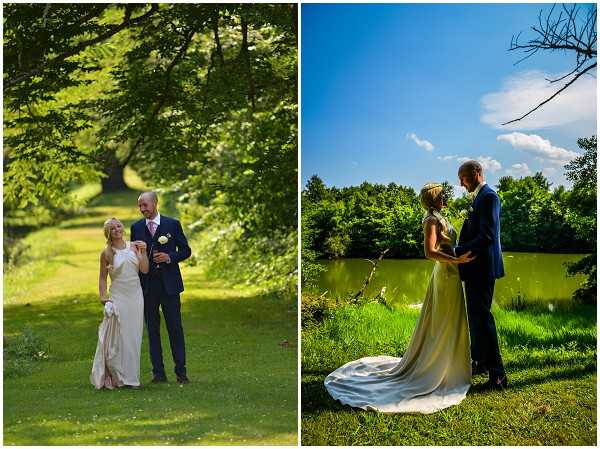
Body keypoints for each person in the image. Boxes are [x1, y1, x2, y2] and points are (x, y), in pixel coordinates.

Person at [324, 183, 475, 413]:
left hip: (451, 274)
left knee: (450, 320)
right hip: (445, 274)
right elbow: (429, 252)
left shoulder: (440, 216)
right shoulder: (431, 220)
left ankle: (450, 365)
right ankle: (437, 368)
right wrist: (457, 261)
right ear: (434, 198)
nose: (446, 197)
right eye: (442, 194)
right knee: (442, 322)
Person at [455, 160, 507, 389]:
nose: (461, 183)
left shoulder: (489, 196)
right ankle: (481, 363)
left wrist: (456, 251)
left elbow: (487, 236)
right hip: (475, 268)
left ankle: (498, 375)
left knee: (483, 319)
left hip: (483, 268)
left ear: (476, 173)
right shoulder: (479, 197)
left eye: (463, 178)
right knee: (475, 318)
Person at [131, 191, 192, 384]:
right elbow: (134, 257)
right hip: (147, 287)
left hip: (170, 286)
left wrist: (169, 257)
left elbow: (185, 250)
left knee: (175, 328)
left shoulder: (172, 224)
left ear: (155, 203)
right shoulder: (136, 228)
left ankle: (181, 373)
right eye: (140, 206)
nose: (142, 209)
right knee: (152, 330)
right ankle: (158, 373)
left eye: (145, 205)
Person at [91, 218, 149, 389]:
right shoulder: (107, 253)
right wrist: (103, 296)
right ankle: (118, 377)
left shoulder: (135, 246)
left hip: (135, 296)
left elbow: (145, 270)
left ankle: (132, 378)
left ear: (122, 228)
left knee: (134, 336)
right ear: (107, 233)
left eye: (118, 226)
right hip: (118, 296)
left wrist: (143, 253)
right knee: (119, 337)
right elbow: (102, 278)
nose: (116, 229)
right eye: (112, 228)